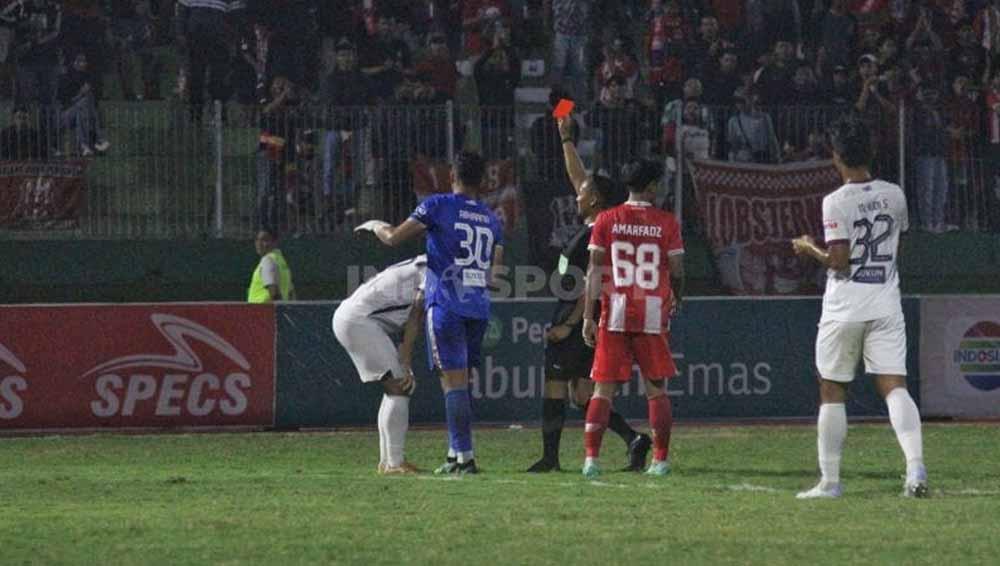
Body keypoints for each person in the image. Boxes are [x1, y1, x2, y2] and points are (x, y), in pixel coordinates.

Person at [791, 114, 927, 499]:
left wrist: (807, 247)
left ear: (836, 157)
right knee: (895, 387)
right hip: (885, 302)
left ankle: (830, 482)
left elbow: (839, 261)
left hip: (845, 307)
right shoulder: (895, 193)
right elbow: (899, 243)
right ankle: (915, 470)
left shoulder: (835, 202)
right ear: (872, 152)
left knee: (831, 389)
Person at [355, 151, 504, 475]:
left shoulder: (438, 205)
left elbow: (394, 238)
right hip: (478, 307)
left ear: (452, 174)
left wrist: (375, 225)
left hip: (448, 303)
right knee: (459, 383)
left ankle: (465, 457)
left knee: (453, 384)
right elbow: (496, 276)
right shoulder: (493, 219)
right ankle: (454, 453)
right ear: (482, 181)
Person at [526, 116, 651, 473]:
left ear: (594, 200)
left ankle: (550, 458)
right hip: (581, 316)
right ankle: (634, 439)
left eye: (582, 193)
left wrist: (569, 323)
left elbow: (596, 280)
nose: (576, 193)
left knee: (555, 384)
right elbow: (579, 177)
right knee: (583, 394)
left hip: (577, 318)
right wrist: (566, 138)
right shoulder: (599, 221)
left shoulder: (601, 232)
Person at [580, 158, 685, 478]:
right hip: (652, 311)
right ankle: (661, 460)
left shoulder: (607, 219)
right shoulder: (667, 222)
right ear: (651, 186)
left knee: (602, 390)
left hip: (615, 311)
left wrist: (588, 315)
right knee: (657, 390)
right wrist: (676, 295)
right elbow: (677, 270)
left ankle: (591, 461)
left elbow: (594, 271)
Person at [332, 255, 428, 475]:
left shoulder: (423, 263)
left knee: (394, 389)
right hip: (359, 320)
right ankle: (394, 463)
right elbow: (416, 313)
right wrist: (406, 357)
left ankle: (388, 461)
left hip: (354, 318)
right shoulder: (432, 267)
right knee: (400, 387)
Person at [247, 228, 295, 303]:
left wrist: (278, 311)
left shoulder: (267, 260)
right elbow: (291, 293)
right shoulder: (281, 262)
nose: (259, 243)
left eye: (264, 240)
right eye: (257, 240)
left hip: (262, 312)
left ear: (275, 242)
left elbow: (273, 292)